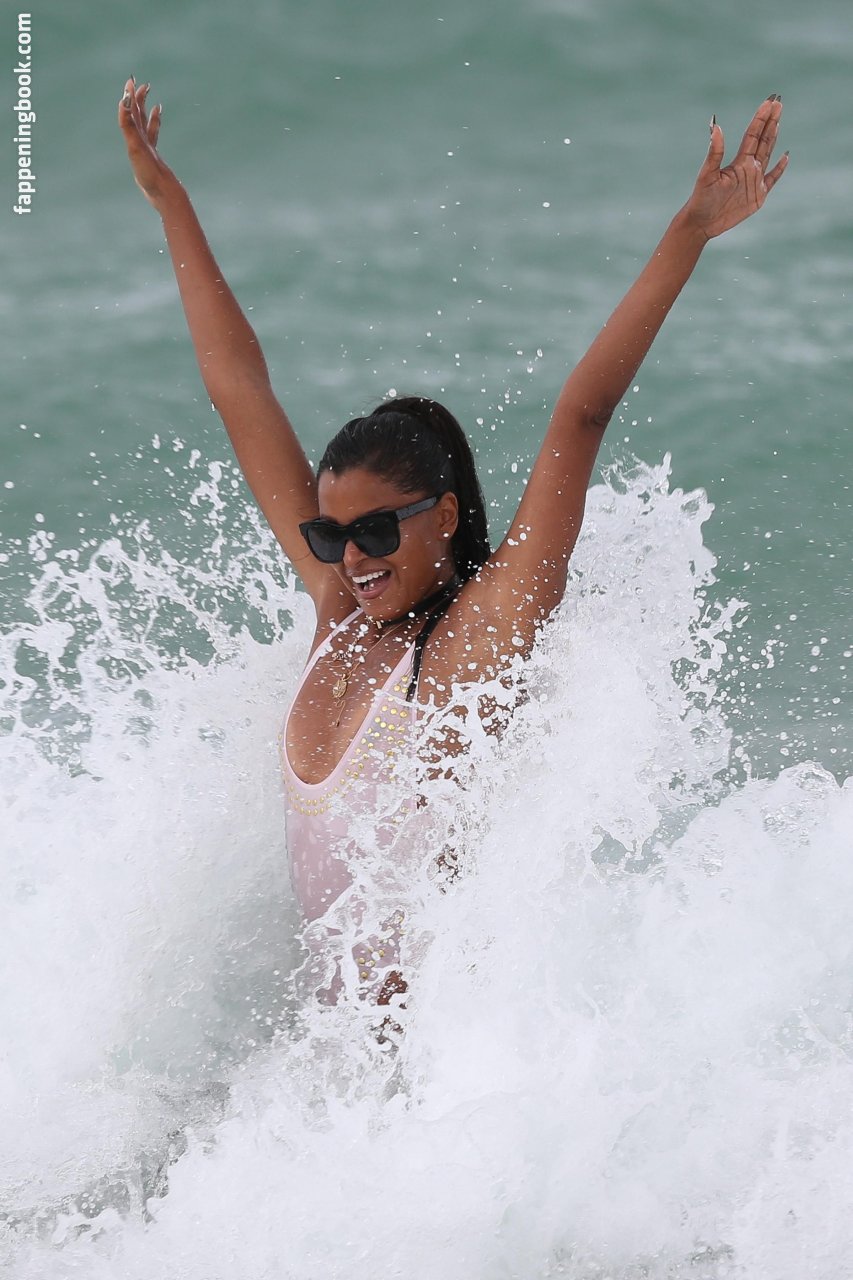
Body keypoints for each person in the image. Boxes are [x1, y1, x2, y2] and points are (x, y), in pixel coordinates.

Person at [118, 81, 786, 1006]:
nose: (351, 558)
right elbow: (238, 389)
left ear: (439, 516)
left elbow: (581, 413)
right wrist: (170, 203)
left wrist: (688, 233)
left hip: (433, 1060)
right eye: (330, 535)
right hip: (321, 1052)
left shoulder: (473, 639)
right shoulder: (337, 609)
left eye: (374, 530)